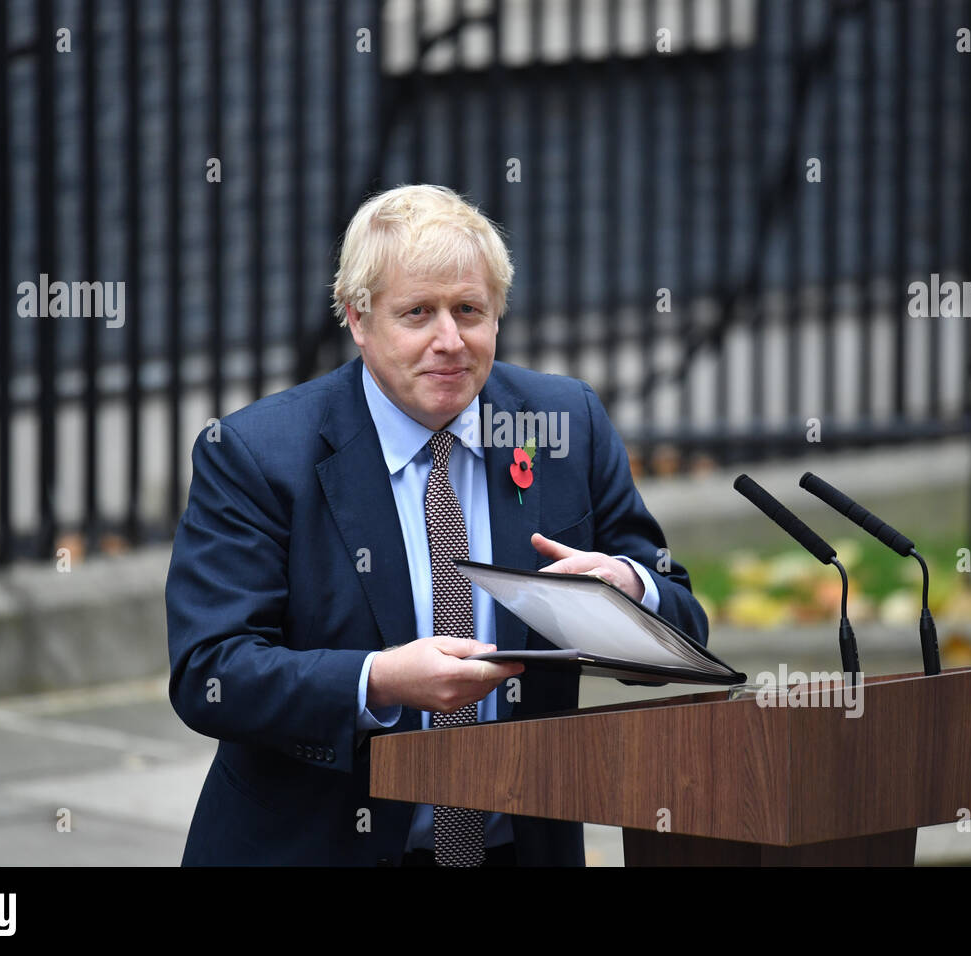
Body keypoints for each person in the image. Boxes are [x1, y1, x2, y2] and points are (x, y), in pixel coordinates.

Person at [165, 184, 709, 866]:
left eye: (469, 311)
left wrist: (628, 589)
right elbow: (210, 671)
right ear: (357, 319)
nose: (449, 341)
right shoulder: (258, 454)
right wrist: (378, 681)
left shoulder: (563, 425)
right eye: (417, 313)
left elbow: (686, 626)